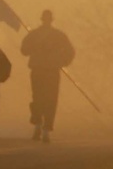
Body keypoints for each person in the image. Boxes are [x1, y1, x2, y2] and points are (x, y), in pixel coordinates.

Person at [20, 10, 74, 143]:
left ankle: (42, 127)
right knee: (46, 99)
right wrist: (61, 61)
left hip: (46, 71)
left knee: (42, 98)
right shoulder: (56, 35)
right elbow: (24, 50)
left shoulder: (36, 35)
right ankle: (42, 127)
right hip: (45, 71)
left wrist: (61, 61)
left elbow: (24, 50)